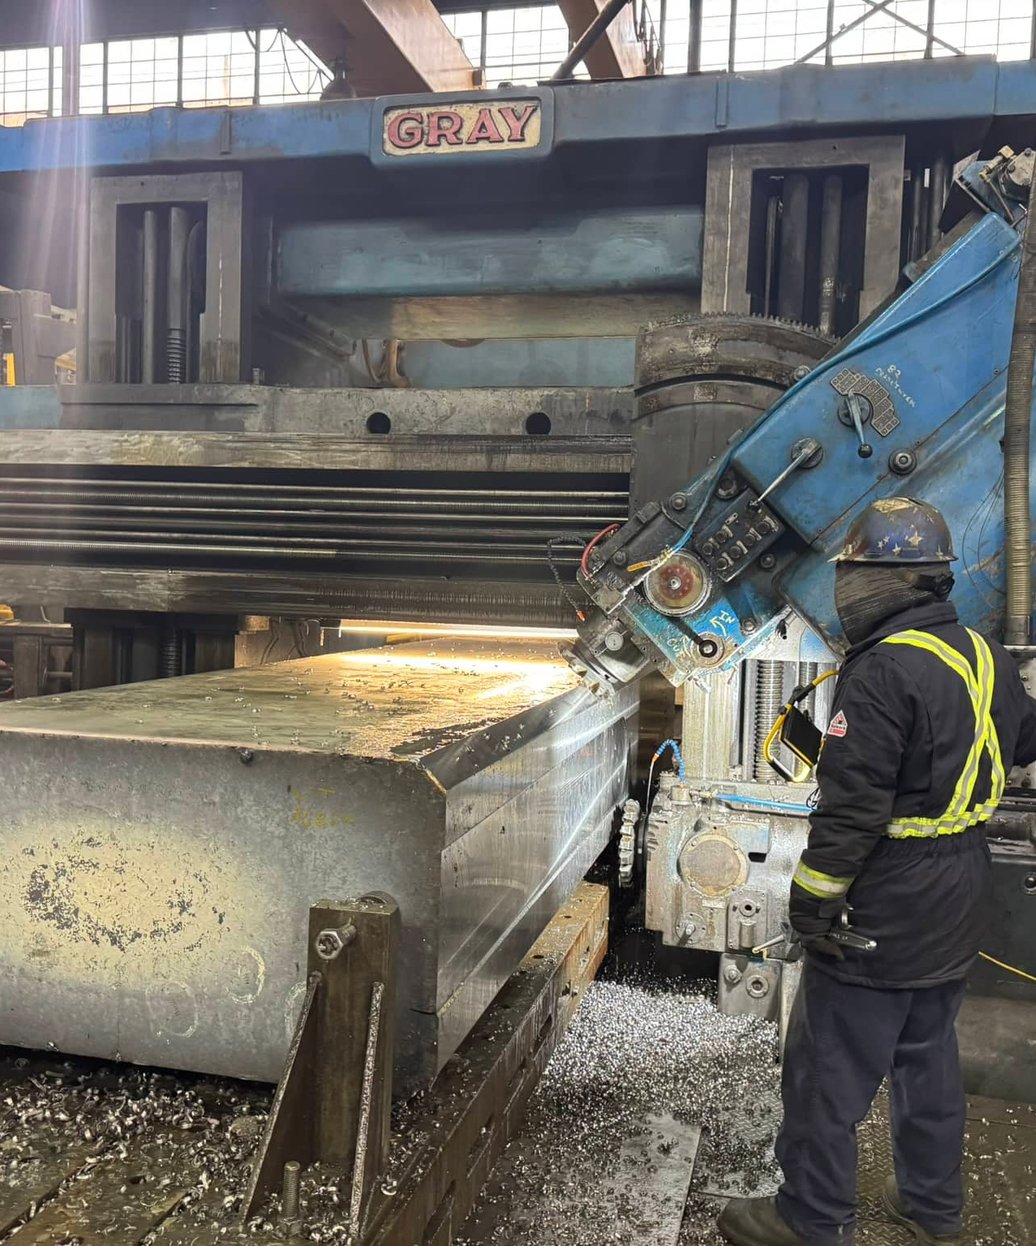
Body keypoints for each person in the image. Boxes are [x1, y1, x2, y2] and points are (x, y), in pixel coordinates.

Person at [718, 497, 1036, 1246]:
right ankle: (931, 1206)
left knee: (828, 1068)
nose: (844, 591)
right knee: (927, 1055)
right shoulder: (980, 653)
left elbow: (854, 810)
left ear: (883, 582)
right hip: (961, 886)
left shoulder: (884, 669)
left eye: (849, 576)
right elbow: (1023, 743)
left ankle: (809, 1217)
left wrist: (812, 902)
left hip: (890, 894)